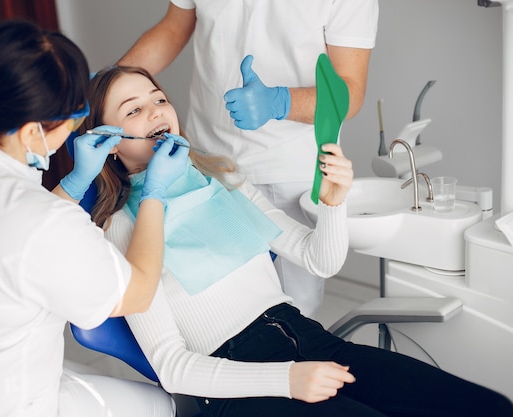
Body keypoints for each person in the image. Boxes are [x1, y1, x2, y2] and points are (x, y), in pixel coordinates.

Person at [85, 65, 513, 417]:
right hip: (235, 384)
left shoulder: (222, 179)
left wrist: (332, 205)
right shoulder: (122, 228)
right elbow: (173, 368)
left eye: (159, 98)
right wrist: (286, 378)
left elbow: (318, 259)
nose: (156, 111)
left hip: (311, 340)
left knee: (488, 409)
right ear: (109, 145)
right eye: (133, 109)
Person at [0, 20, 190, 417]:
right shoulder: (39, 223)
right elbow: (138, 292)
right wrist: (154, 192)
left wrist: (75, 182)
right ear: (32, 132)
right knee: (169, 408)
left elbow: (22, 237)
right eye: (74, 115)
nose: (79, 122)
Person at [116, 0, 379, 316]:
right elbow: (173, 28)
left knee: (294, 309)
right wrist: (108, 83)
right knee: (215, 308)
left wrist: (279, 102)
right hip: (206, 161)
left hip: (285, 166)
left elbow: (350, 91)